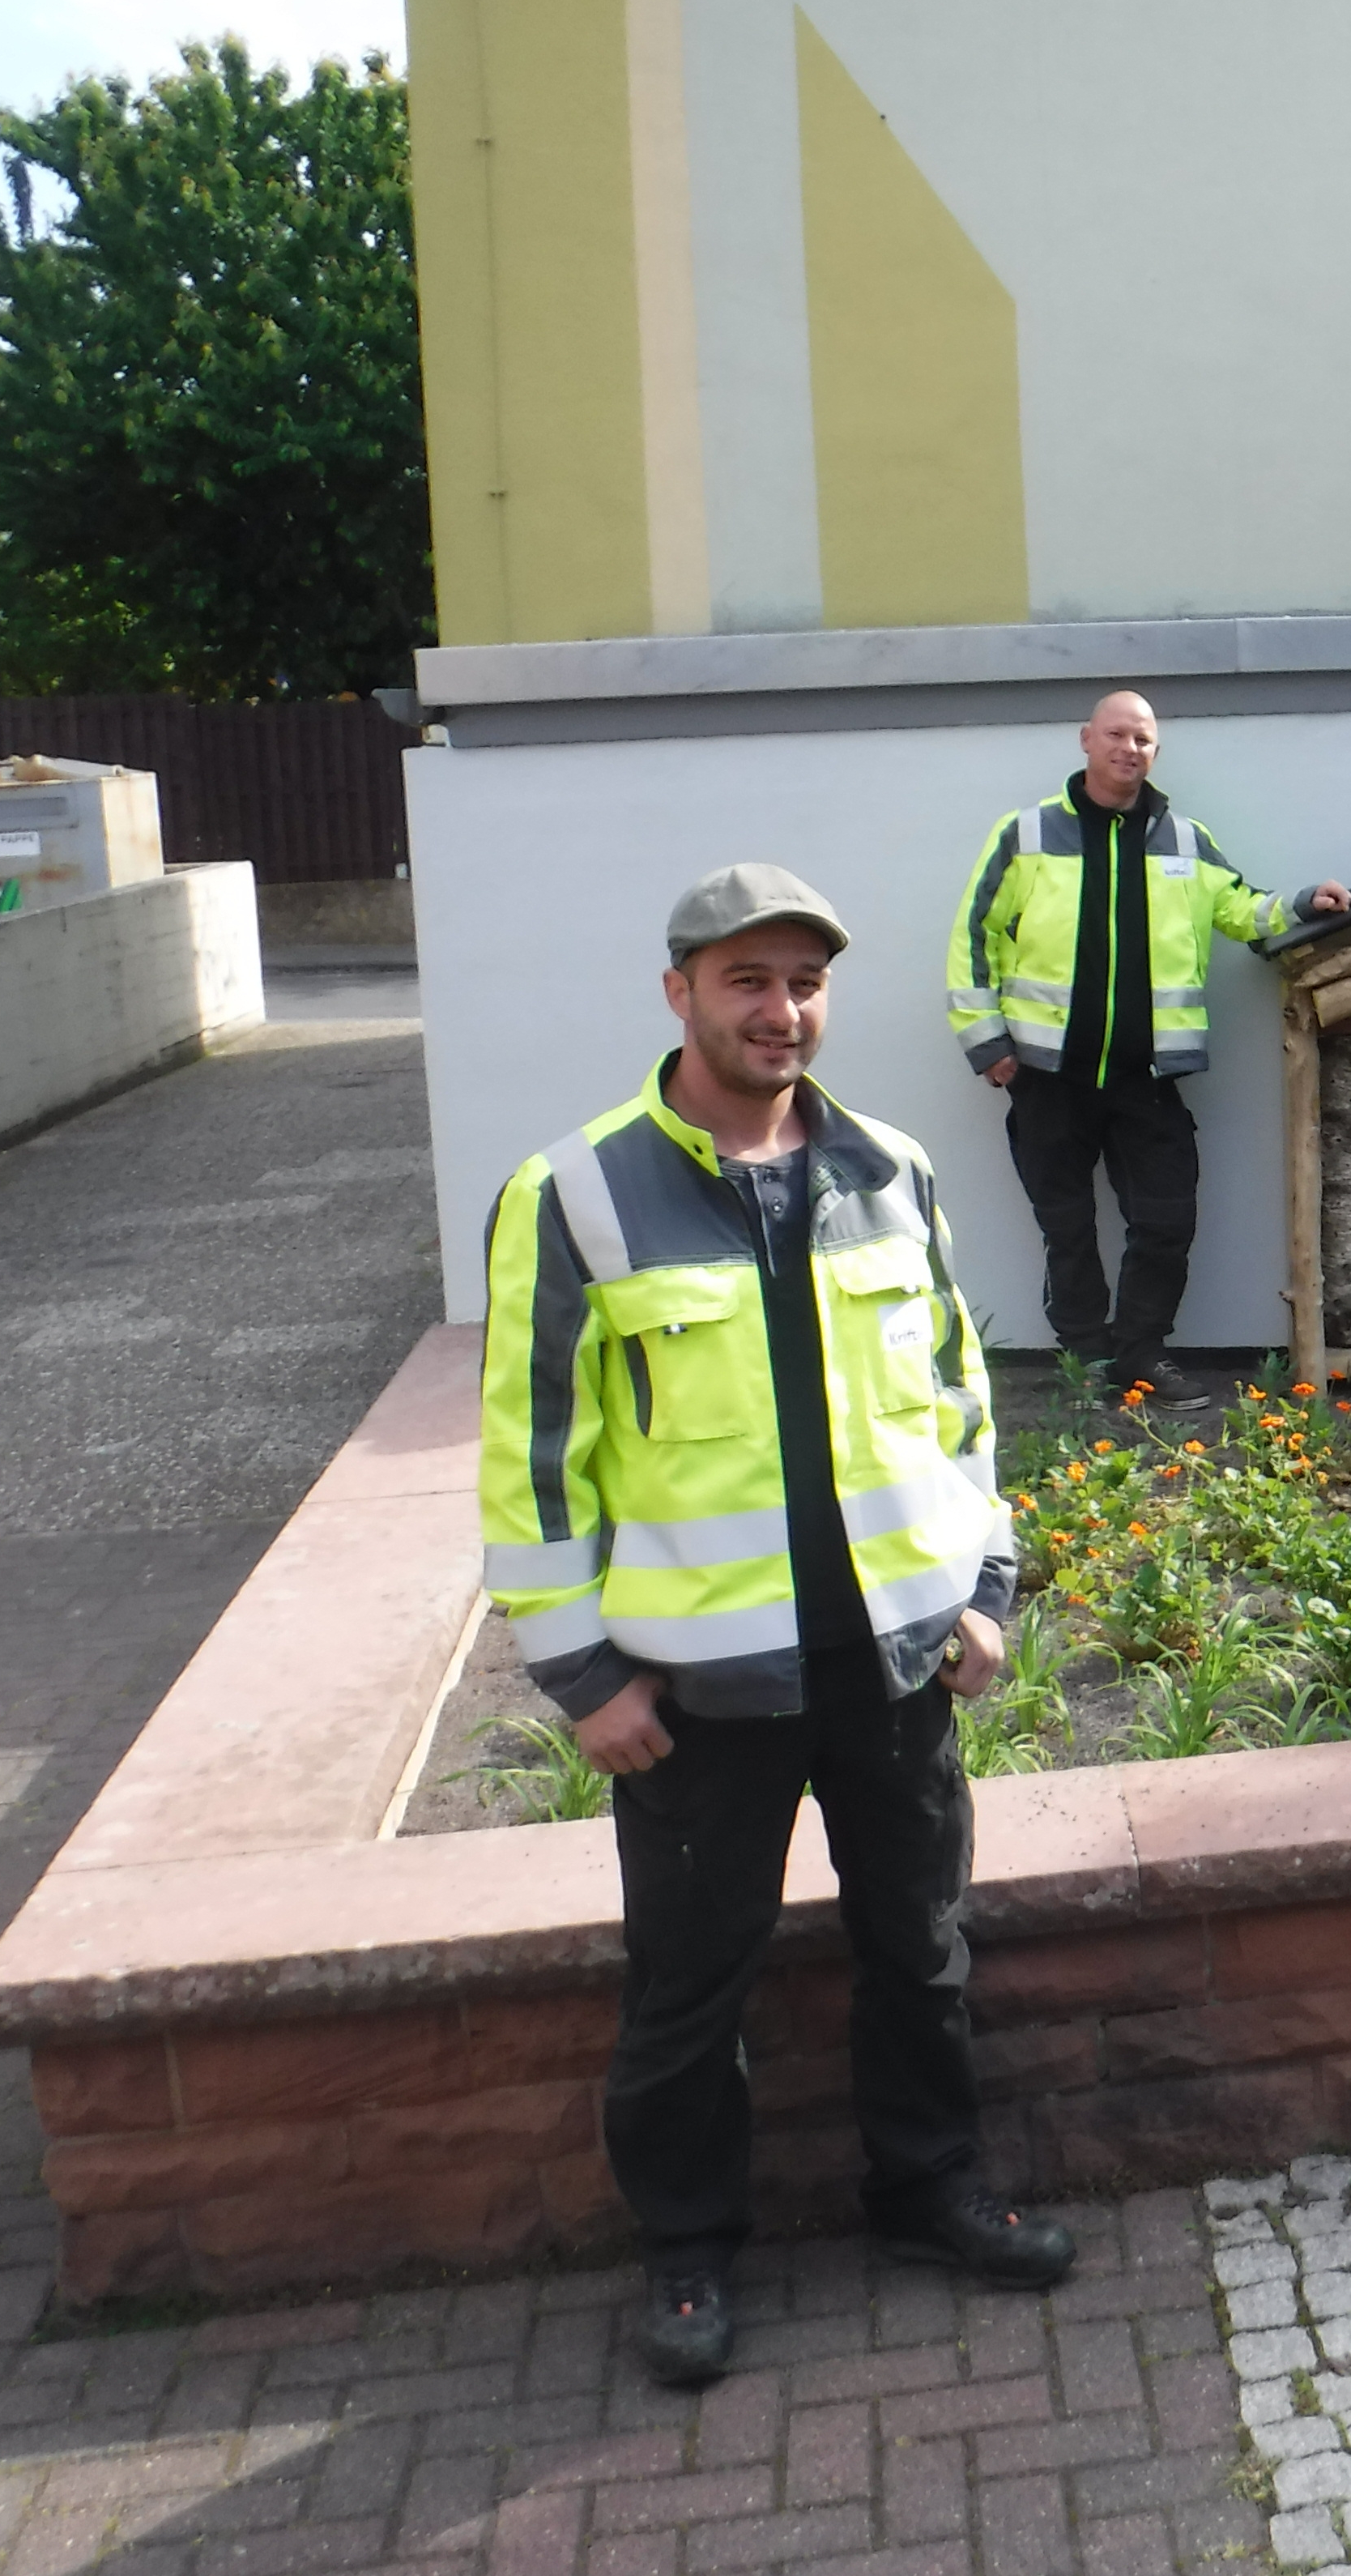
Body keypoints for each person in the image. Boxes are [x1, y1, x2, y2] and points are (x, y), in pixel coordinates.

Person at [479, 865, 1066, 2387]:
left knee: (919, 1948)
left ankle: (928, 2190)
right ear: (678, 991)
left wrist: (984, 1589)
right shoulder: (576, 1194)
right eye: (747, 979)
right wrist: (580, 1672)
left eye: (804, 980)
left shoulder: (891, 1168)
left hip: (891, 1664)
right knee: (690, 1983)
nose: (779, 1009)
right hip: (694, 1690)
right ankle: (686, 2252)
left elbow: (958, 1403)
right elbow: (536, 1459)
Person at [947, 690, 1350, 1410]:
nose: (1129, 748)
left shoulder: (1184, 840)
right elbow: (974, 935)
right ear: (1085, 740)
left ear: (1154, 753)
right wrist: (987, 1043)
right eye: (1116, 735)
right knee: (1066, 1229)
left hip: (1148, 1078)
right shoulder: (1028, 833)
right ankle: (1085, 1365)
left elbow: (1241, 907)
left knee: (1166, 1221)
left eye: (1143, 739)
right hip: (1047, 1075)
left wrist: (1300, 904)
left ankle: (1140, 1356)